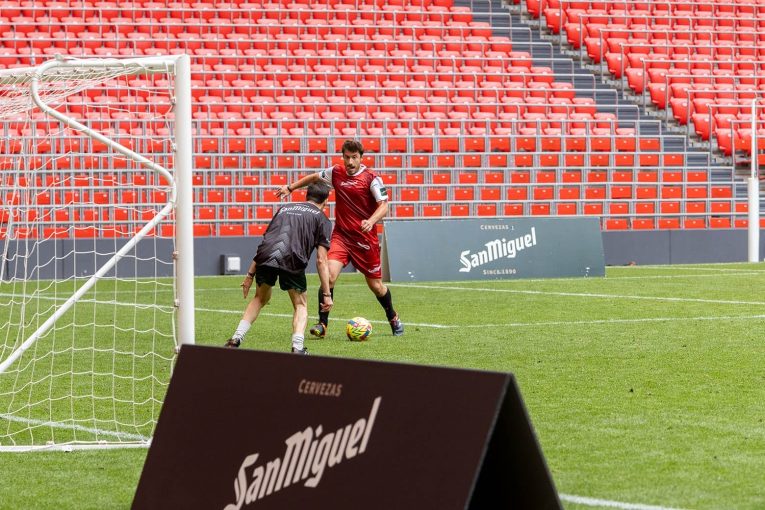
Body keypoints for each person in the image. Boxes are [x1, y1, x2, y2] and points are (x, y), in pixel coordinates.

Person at [276, 139, 404, 338]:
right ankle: (322, 324)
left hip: (365, 240)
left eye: (354, 157)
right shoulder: (336, 172)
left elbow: (384, 205)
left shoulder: (372, 178)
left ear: (361, 158)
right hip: (342, 236)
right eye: (347, 157)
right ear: (343, 157)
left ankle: (393, 317)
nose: (350, 162)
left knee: (376, 286)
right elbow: (314, 177)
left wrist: (370, 221)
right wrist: (291, 188)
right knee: (329, 277)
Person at [224, 182, 334, 354]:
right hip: (292, 259)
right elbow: (321, 260)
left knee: (259, 299)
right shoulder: (322, 219)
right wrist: (327, 295)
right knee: (300, 304)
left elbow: (266, 241)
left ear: (307, 196)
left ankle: (235, 339)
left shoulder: (284, 208)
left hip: (266, 256)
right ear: (326, 201)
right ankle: (297, 347)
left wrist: (249, 274)